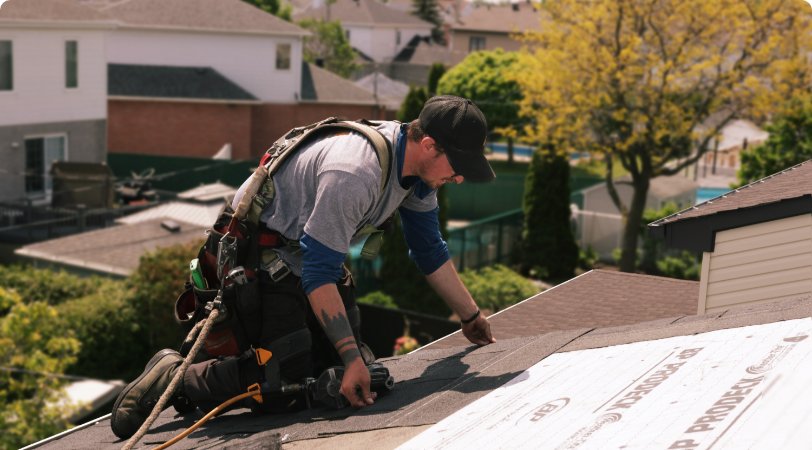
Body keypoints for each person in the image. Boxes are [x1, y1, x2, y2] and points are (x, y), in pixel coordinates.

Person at [110, 95, 497, 439]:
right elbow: (317, 273)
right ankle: (176, 379)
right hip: (259, 260)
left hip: (306, 259)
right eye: (458, 165)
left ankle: (311, 363)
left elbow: (428, 249)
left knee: (348, 379)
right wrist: (349, 359)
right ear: (428, 144)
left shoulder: (419, 174)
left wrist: (470, 316)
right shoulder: (355, 172)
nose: (460, 177)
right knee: (286, 385)